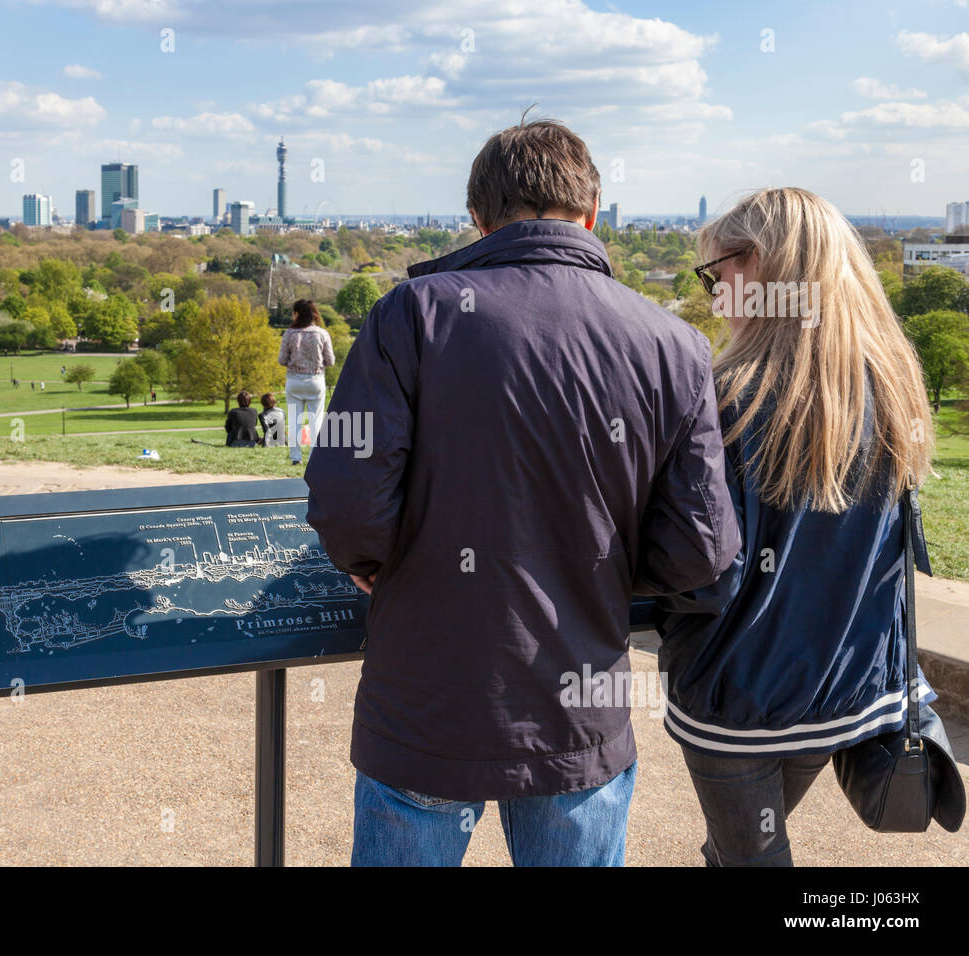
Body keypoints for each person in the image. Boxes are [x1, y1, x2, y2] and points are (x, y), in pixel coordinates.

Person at [305, 118, 739, 867]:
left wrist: (374, 562)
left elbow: (347, 495)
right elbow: (701, 545)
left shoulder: (410, 315)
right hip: (579, 704)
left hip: (426, 694)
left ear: (477, 217)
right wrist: (594, 571)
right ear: (593, 212)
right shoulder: (672, 342)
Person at [655, 187, 939, 867]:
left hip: (736, 688)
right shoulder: (893, 388)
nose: (713, 289)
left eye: (715, 271)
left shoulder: (723, 397)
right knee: (743, 846)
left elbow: (696, 561)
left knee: (751, 854)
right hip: (841, 686)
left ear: (760, 267)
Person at [278, 299, 335, 466]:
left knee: (294, 418)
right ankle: (313, 457)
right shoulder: (322, 334)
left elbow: (282, 359)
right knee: (315, 419)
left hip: (294, 380)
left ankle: (296, 457)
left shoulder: (289, 334)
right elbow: (330, 360)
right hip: (315, 380)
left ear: (297, 314)